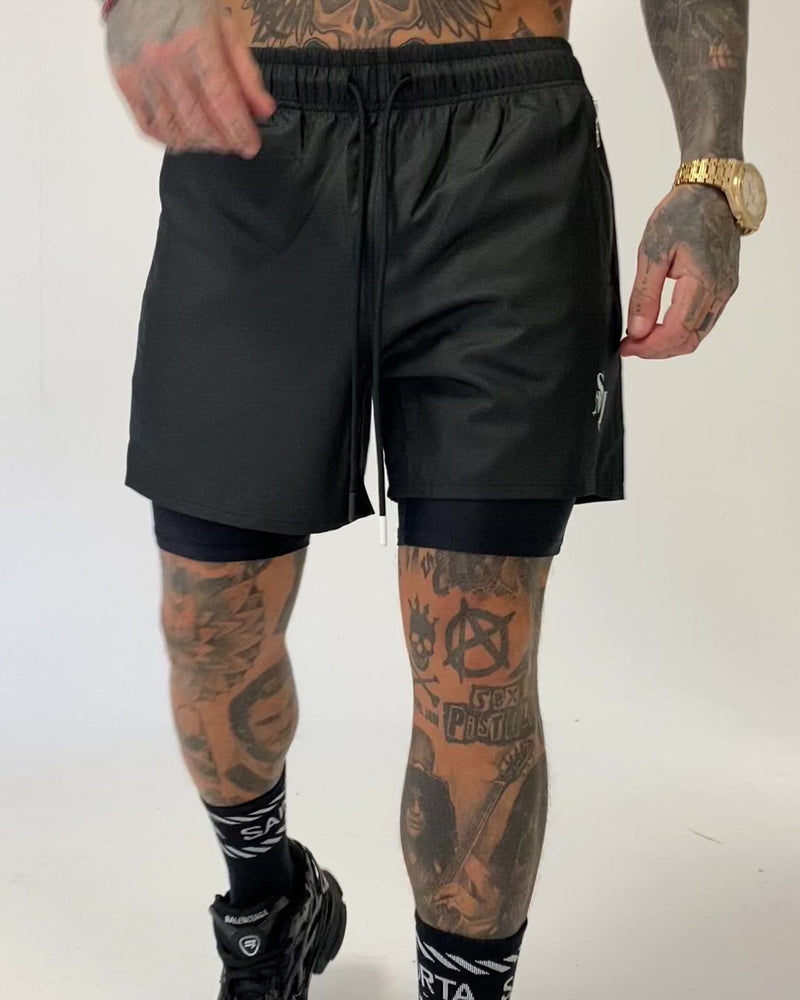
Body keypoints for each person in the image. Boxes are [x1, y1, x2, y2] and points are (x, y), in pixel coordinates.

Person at [101, 0, 765, 997]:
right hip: (251, 142)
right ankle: (269, 904)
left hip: (504, 153)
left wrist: (709, 172)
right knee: (210, 628)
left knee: (476, 674)